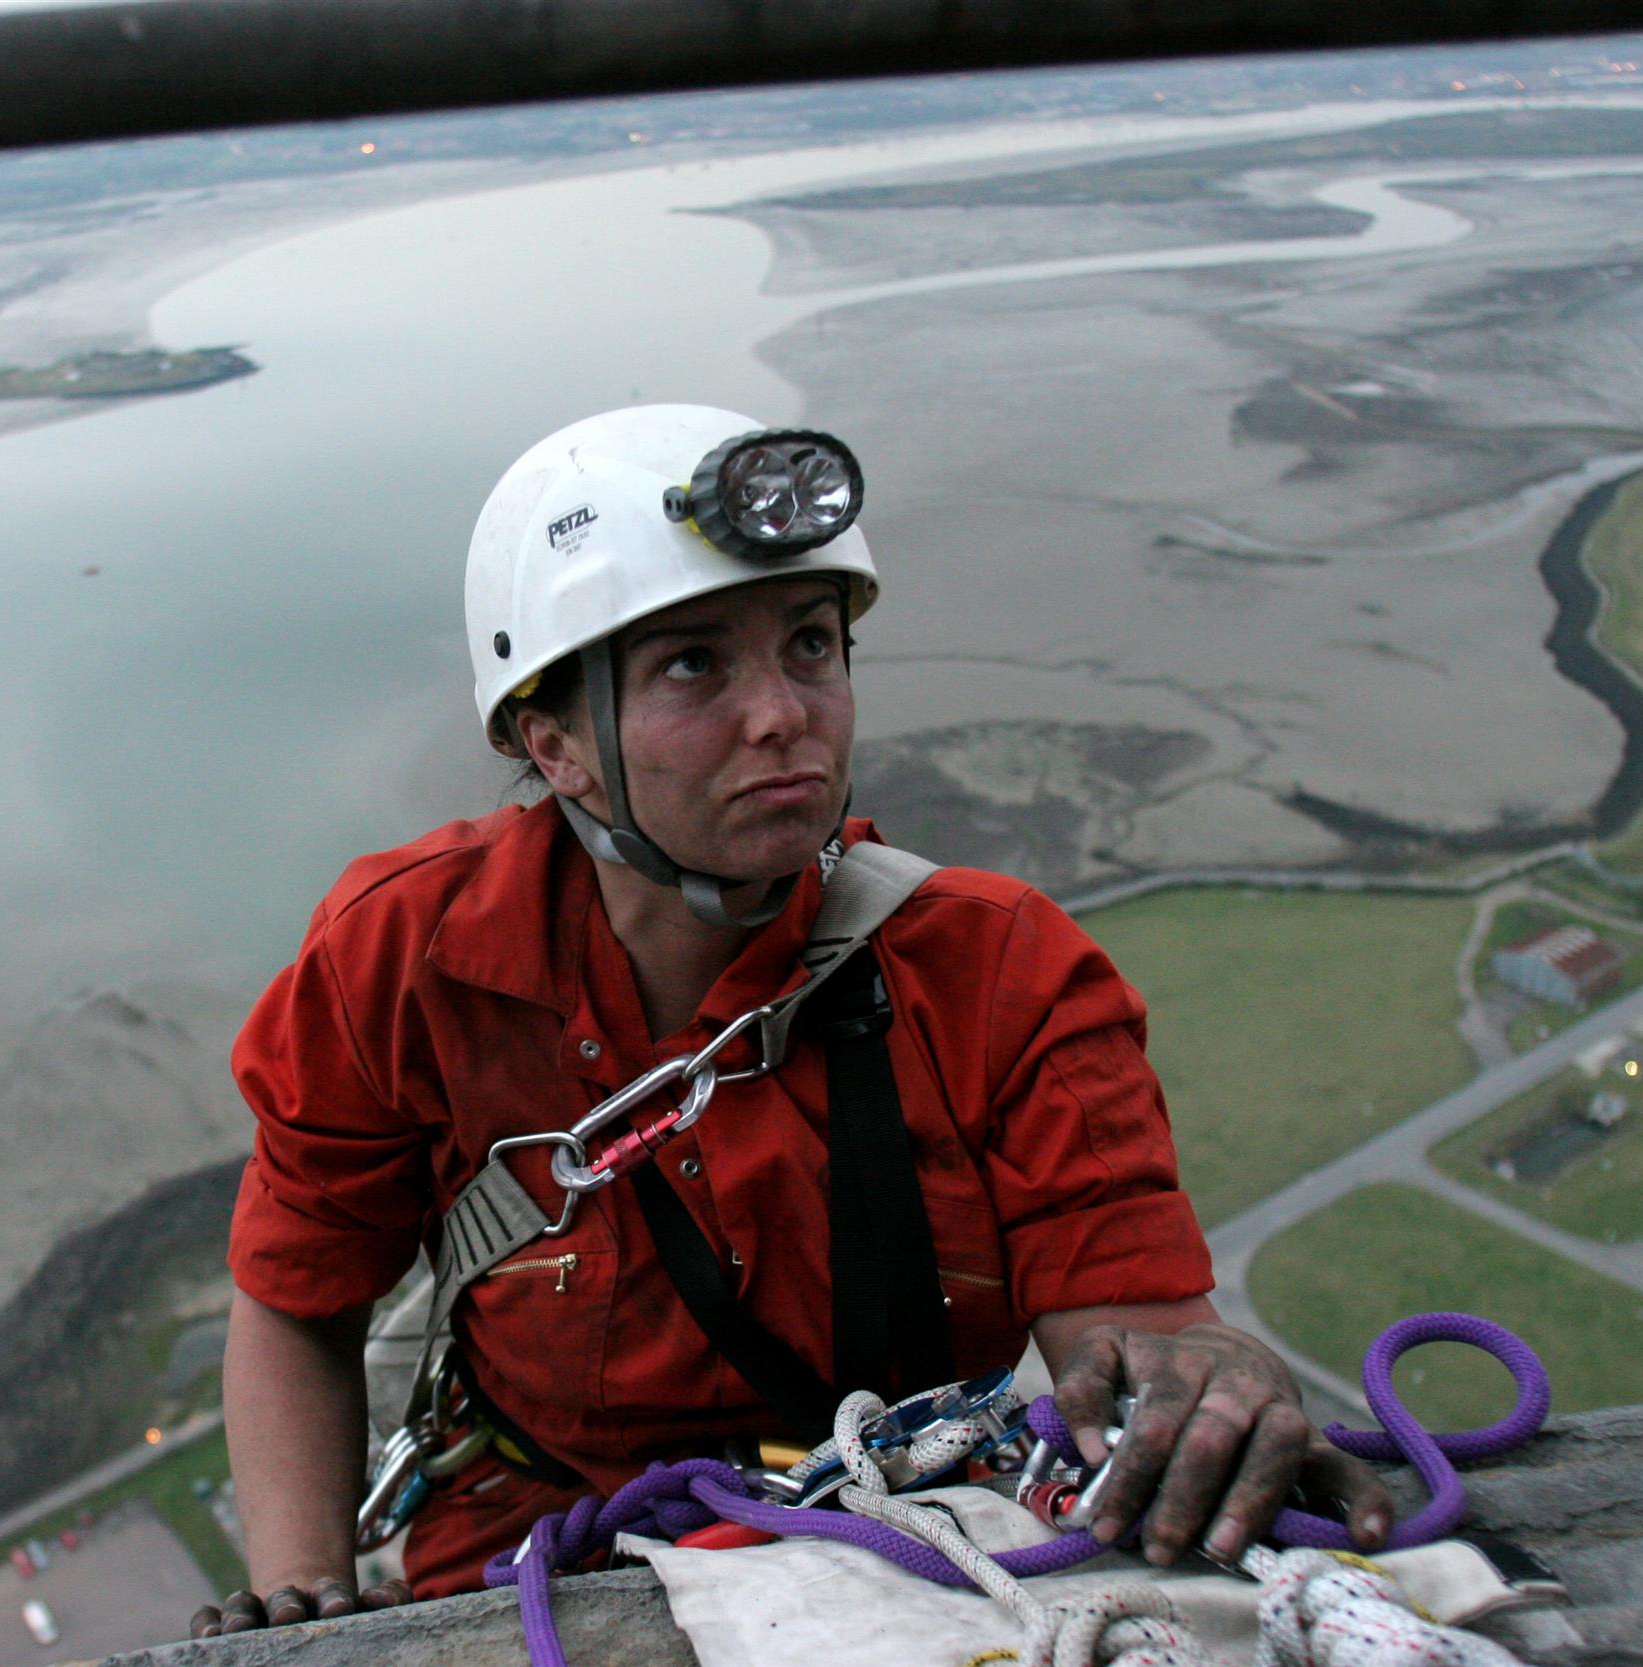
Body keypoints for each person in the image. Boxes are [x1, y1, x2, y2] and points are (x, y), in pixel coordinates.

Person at [191, 405, 1391, 1639]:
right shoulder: (402, 959)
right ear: (555, 744)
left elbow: (1128, 1331)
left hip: (905, 1538)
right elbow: (297, 1292)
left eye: (809, 645)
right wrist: (310, 1599)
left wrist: (1201, 1391)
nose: (781, 714)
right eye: (693, 664)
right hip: (526, 1563)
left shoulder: (1001, 975)